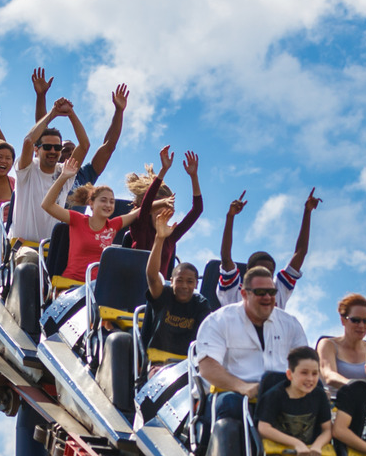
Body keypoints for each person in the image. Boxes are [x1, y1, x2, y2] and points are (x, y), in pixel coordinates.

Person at [193, 265, 310, 399]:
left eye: (271, 292)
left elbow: (305, 363)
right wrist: (242, 386)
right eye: (260, 292)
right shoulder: (218, 320)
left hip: (279, 398)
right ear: (244, 294)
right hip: (230, 395)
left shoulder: (291, 324)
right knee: (230, 405)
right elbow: (208, 368)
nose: (267, 297)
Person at [38, 159, 142, 286]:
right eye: (103, 200)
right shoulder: (78, 220)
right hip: (70, 285)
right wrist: (63, 177)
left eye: (111, 202)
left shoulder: (113, 226)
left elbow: (139, 212)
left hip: (96, 288)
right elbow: (47, 205)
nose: (108, 205)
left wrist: (161, 191)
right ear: (91, 203)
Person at [216, 187, 320, 308]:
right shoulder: (234, 291)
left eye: (269, 272)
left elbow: (300, 253)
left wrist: (307, 212)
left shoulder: (278, 291)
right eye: (260, 269)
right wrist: (230, 217)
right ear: (248, 273)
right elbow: (226, 258)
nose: (265, 274)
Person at [257, 347, 340, 456]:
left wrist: (317, 446)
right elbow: (263, 428)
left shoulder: (319, 396)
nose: (310, 379)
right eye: (304, 373)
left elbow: (327, 430)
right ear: (290, 374)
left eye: (315, 374)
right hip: (280, 452)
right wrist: (295, 443)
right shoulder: (274, 395)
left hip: (310, 454)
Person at [11, 97, 89, 249]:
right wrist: (53, 113)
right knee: (28, 266)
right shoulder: (27, 168)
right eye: (47, 147)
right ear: (36, 150)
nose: (53, 151)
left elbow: (84, 145)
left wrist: (71, 114)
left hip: (51, 250)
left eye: (57, 148)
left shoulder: (65, 172)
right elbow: (28, 140)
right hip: (22, 248)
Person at [142, 207, 214, 364]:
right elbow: (152, 276)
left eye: (190, 282)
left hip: (185, 366)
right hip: (158, 362)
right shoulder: (164, 295)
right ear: (171, 280)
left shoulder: (201, 304)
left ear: (196, 284)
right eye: (179, 280)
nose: (184, 286)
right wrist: (159, 239)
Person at [124, 148, 203, 278]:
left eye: (167, 210)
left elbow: (197, 210)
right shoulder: (140, 227)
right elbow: (145, 206)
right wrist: (163, 170)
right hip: (135, 288)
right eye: (159, 208)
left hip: (158, 292)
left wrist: (194, 176)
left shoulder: (170, 236)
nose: (162, 214)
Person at [316, 293, 366, 390]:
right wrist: (356, 387)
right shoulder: (328, 345)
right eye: (356, 320)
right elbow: (329, 375)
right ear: (343, 320)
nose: (362, 326)